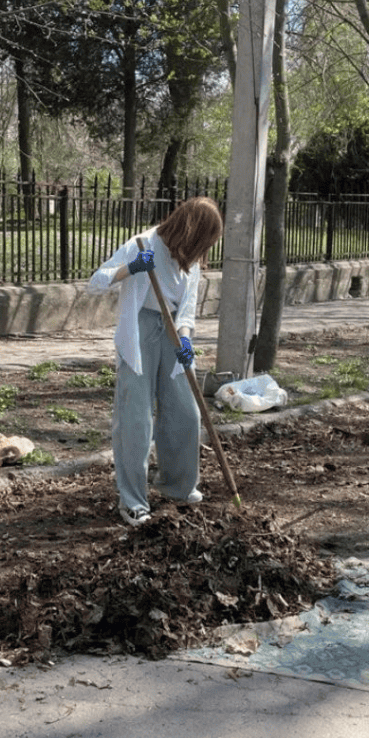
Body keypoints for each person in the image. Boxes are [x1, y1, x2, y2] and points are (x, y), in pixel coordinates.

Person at [88, 196, 224, 526]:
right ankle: (132, 501)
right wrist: (130, 269)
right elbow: (96, 281)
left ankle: (179, 486)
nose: (204, 249)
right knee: (136, 419)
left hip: (173, 332)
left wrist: (187, 337)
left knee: (186, 413)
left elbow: (188, 307)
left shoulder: (188, 261)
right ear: (191, 230)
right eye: (204, 240)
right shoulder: (144, 243)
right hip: (140, 330)